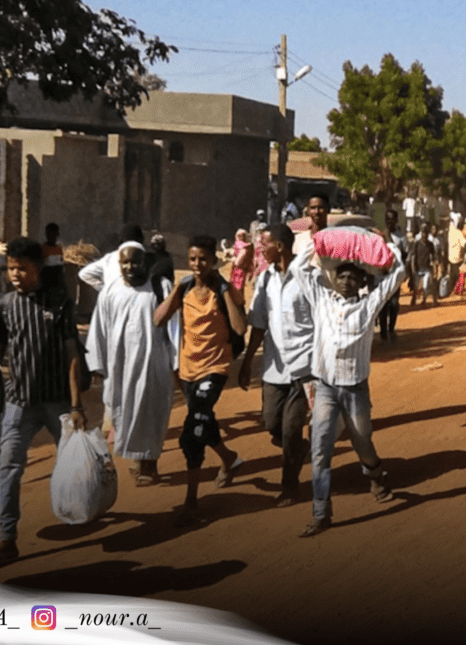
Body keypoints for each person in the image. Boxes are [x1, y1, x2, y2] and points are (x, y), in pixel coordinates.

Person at [290, 232, 406, 537]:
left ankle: (376, 474)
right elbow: (298, 269)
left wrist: (384, 246)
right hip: (325, 387)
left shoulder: (370, 306)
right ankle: (321, 512)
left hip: (355, 389)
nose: (345, 281)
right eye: (341, 275)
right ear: (333, 278)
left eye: (352, 277)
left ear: (361, 283)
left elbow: (399, 273)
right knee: (320, 448)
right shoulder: (321, 299)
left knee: (362, 442)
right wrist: (317, 243)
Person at [0, 237, 85, 569]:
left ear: (36, 268)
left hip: (57, 402)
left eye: (21, 268)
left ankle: (83, 511)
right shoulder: (5, 305)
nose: (15, 274)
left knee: (73, 465)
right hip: (18, 402)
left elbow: (72, 356)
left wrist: (77, 405)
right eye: (11, 268)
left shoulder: (60, 303)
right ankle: (6, 539)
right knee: (9, 468)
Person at [153, 234, 246, 525]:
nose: (197, 264)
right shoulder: (185, 288)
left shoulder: (223, 288)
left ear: (213, 260)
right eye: (192, 259)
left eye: (203, 259)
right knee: (203, 419)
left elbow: (240, 328)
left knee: (192, 430)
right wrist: (175, 292)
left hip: (214, 369)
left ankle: (191, 501)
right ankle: (229, 458)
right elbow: (158, 320)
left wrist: (225, 289)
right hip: (187, 371)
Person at [86, 242, 175, 486]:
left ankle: (149, 465)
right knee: (123, 413)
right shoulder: (110, 292)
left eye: (135, 262)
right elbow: (99, 331)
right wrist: (97, 364)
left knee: (150, 413)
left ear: (145, 263)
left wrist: (176, 364)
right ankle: (140, 460)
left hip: (153, 365)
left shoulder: (161, 287)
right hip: (120, 367)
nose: (130, 267)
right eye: (124, 262)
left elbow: (176, 328)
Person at [239, 224, 313, 506]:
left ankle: (289, 486)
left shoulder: (307, 277)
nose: (260, 249)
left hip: (304, 365)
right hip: (274, 368)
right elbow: (258, 326)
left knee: (291, 428)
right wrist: (247, 363)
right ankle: (297, 449)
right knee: (272, 423)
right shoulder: (264, 280)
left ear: (280, 246)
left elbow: (321, 321)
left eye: (264, 244)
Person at [78, 223, 144, 293]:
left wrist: (105, 289)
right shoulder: (144, 258)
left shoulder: (109, 258)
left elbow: (84, 273)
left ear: (121, 241)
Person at [379, 210, 407, 339]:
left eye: (393, 220)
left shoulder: (401, 237)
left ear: (396, 221)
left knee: (394, 303)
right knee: (383, 304)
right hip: (382, 276)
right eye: (388, 220)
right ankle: (383, 331)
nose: (390, 223)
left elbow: (405, 255)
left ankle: (391, 328)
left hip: (395, 274)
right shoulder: (381, 236)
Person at [410, 222, 438, 307]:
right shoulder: (417, 244)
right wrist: (412, 268)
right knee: (416, 286)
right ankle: (413, 299)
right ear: (421, 233)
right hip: (418, 268)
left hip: (427, 268)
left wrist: (435, 269)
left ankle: (424, 300)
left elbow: (433, 257)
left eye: (426, 233)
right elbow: (413, 256)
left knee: (425, 286)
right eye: (423, 233)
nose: (424, 235)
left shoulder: (430, 244)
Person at [41, 222, 66, 295]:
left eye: (53, 235)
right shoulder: (43, 249)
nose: (51, 237)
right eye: (49, 235)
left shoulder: (59, 249)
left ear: (57, 235)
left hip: (58, 280)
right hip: (47, 281)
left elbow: (61, 262)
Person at [230, 229, 254, 294]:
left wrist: (233, 258)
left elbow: (237, 262)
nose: (239, 237)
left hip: (239, 272)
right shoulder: (247, 246)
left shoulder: (245, 247)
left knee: (237, 292)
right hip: (237, 271)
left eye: (241, 235)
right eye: (238, 235)